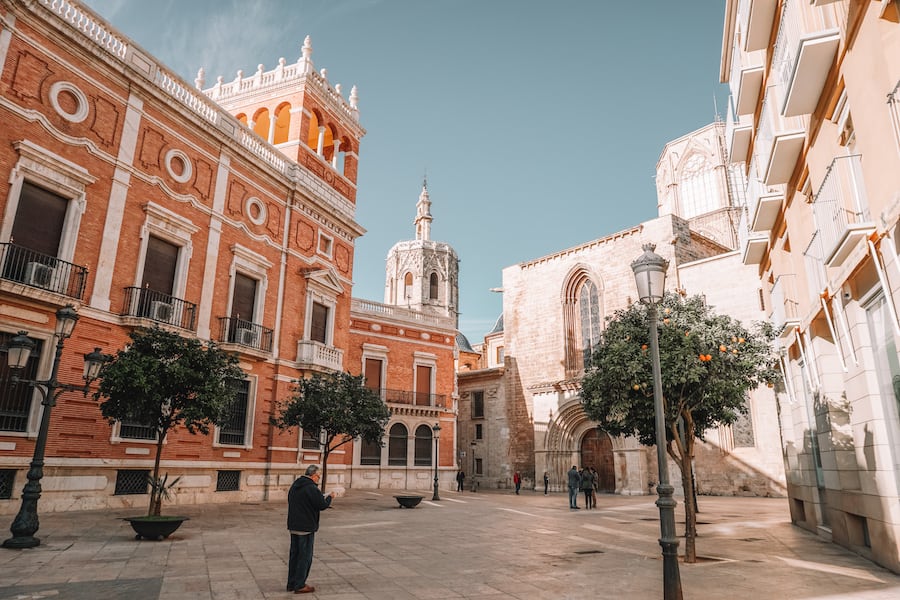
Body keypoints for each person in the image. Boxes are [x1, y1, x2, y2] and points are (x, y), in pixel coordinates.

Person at [287, 465, 334, 594]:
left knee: (294, 556)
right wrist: (330, 497)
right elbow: (322, 505)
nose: (318, 479)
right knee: (305, 557)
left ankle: (291, 583)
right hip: (306, 527)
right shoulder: (311, 488)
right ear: (313, 475)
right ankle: (300, 584)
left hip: (293, 526)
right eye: (318, 476)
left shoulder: (296, 485)